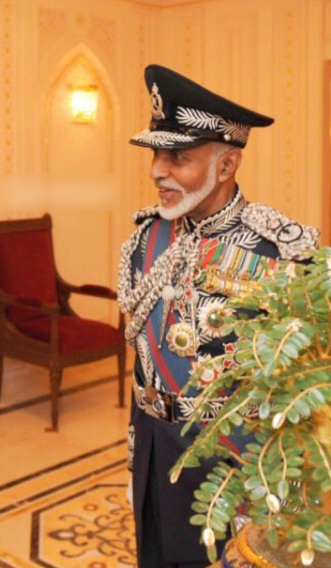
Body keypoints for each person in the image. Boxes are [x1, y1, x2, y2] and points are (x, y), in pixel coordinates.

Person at [117, 65, 320, 568]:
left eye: (177, 157)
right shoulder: (147, 238)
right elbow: (144, 353)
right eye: (156, 155)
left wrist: (280, 494)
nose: (157, 171)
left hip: (228, 461)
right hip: (153, 446)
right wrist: (133, 456)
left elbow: (303, 393)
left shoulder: (279, 252)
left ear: (226, 165)